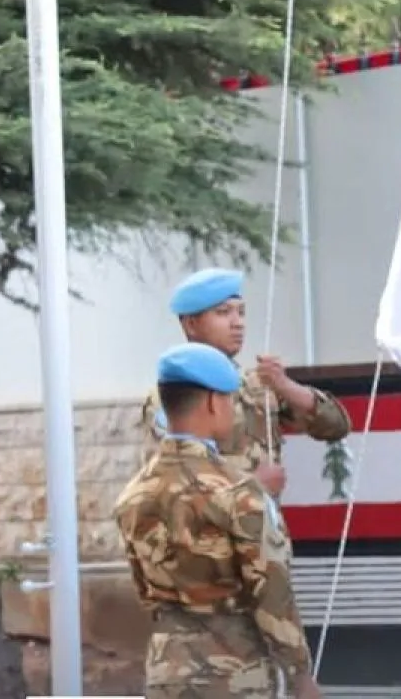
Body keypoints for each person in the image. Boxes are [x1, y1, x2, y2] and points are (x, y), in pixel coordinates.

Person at [114, 342, 322, 698]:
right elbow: (272, 594)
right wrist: (300, 675)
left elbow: (144, 590)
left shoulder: (132, 494)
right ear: (213, 402)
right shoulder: (238, 492)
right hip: (234, 673)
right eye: (230, 400)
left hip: (166, 671)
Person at [141, 267, 351, 504]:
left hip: (263, 524)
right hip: (217, 525)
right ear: (191, 324)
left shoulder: (258, 385)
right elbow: (171, 482)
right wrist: (252, 486)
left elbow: (336, 426)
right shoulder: (173, 395)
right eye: (223, 313)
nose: (237, 323)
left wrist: (284, 385)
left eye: (241, 312)